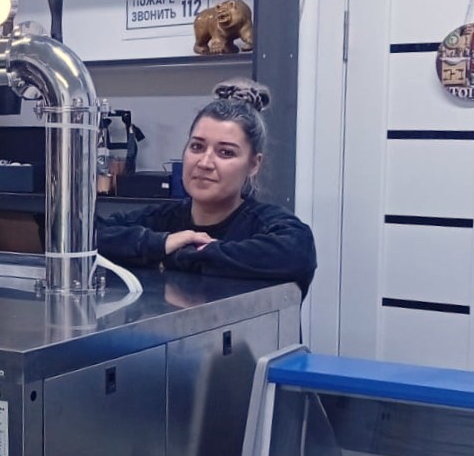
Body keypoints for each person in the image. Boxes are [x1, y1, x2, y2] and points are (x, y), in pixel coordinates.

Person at [95, 80, 316, 296]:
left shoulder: (267, 225)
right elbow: (90, 236)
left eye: (226, 152)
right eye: (197, 147)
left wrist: (184, 256)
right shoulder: (161, 220)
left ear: (253, 164)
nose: (204, 162)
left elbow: (297, 252)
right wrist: (160, 244)